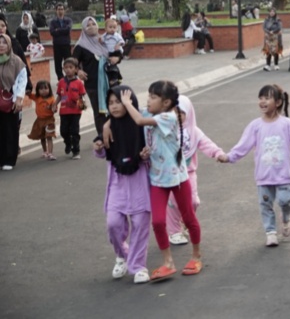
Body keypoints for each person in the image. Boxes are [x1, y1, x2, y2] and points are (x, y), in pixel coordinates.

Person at [120, 81, 203, 280]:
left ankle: (196, 255)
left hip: (177, 178)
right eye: (148, 96)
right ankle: (168, 262)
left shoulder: (169, 117)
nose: (148, 100)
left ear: (165, 103)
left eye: (153, 97)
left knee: (189, 217)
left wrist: (126, 102)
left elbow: (138, 120)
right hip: (157, 179)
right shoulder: (151, 114)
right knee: (157, 221)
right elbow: (130, 119)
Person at [218, 84, 290, 247]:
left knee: (285, 200)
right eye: (261, 98)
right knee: (265, 204)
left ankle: (285, 218)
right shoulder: (255, 125)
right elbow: (243, 145)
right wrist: (229, 157)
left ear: (277, 102)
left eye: (267, 98)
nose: (262, 102)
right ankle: (270, 232)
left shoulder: (286, 123)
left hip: (283, 174)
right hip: (264, 176)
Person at [93, 85, 151, 284]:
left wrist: (144, 155)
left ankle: (138, 266)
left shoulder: (141, 123)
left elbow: (151, 145)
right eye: (111, 103)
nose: (114, 106)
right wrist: (99, 146)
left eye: (119, 102)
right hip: (117, 181)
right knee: (113, 223)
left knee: (140, 225)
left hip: (139, 181)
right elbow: (103, 153)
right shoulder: (109, 127)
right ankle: (123, 255)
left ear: (130, 102)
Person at [166, 95, 224, 245]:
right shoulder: (165, 129)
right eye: (172, 111)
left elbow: (207, 144)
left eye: (180, 112)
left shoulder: (193, 131)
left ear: (188, 113)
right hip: (169, 174)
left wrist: (218, 153)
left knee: (192, 201)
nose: (176, 115)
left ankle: (186, 220)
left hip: (188, 173)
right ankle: (174, 232)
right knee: (172, 203)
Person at [71, 17, 110, 136]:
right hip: (93, 83)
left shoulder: (103, 41)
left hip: (109, 81)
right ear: (83, 28)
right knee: (99, 111)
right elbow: (71, 63)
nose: (92, 26)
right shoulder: (80, 46)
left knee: (112, 108)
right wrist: (78, 72)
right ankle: (101, 135)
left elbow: (116, 55)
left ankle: (112, 133)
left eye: (94, 24)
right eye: (88, 25)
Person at [0, 34, 27, 170]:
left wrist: (19, 98)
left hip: (10, 100)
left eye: (4, 43)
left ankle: (9, 159)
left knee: (10, 129)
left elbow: (22, 80)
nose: (1, 45)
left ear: (9, 45)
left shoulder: (16, 61)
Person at [54, 57, 86, 159]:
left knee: (74, 131)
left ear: (76, 69)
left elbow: (82, 96)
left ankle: (76, 150)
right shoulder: (61, 82)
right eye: (66, 67)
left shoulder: (79, 83)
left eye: (71, 67)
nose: (68, 69)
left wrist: (82, 104)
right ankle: (68, 143)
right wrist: (55, 104)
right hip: (64, 111)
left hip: (75, 111)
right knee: (63, 130)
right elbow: (59, 95)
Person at [27, 80, 57, 160]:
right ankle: (45, 151)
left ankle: (50, 153)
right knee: (42, 136)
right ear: (38, 90)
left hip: (49, 120)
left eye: (46, 88)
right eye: (41, 89)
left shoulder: (52, 99)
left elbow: (55, 108)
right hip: (39, 120)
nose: (44, 91)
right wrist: (27, 90)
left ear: (49, 89)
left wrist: (52, 108)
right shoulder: (37, 98)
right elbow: (29, 95)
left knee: (49, 136)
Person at [49, 3, 72, 80]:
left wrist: (58, 30)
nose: (60, 11)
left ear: (64, 10)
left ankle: (70, 77)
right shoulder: (53, 22)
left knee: (69, 61)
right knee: (57, 63)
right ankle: (60, 78)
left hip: (66, 44)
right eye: (59, 9)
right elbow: (52, 32)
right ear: (56, 10)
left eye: (62, 9)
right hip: (57, 45)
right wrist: (62, 31)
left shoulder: (68, 20)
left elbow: (68, 30)